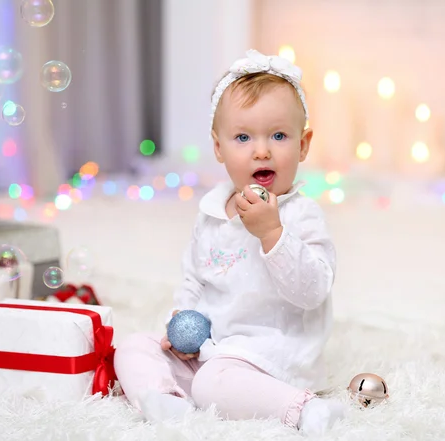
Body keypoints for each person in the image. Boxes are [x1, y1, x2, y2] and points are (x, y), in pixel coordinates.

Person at [114, 49, 345, 436]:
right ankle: (165, 400)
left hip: (271, 354)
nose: (261, 150)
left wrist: (272, 233)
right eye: (242, 137)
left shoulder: (299, 215)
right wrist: (180, 323)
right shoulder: (211, 211)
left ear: (303, 145)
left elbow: (313, 291)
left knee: (212, 383)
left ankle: (304, 410)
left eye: (279, 135)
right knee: (133, 346)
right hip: (211, 348)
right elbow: (193, 278)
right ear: (219, 147)